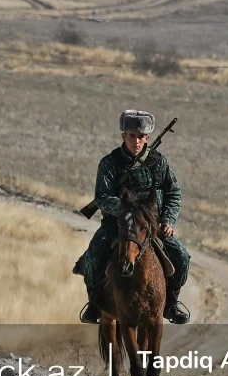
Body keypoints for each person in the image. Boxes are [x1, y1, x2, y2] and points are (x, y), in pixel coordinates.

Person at [75, 110, 191, 324]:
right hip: (117, 224)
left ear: (147, 138)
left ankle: (172, 304)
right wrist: (129, 212)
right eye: (131, 135)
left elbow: (173, 192)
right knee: (94, 255)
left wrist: (167, 220)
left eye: (141, 137)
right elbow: (102, 197)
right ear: (123, 136)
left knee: (182, 257)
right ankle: (94, 304)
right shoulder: (109, 163)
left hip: (151, 226)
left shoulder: (159, 162)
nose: (136, 141)